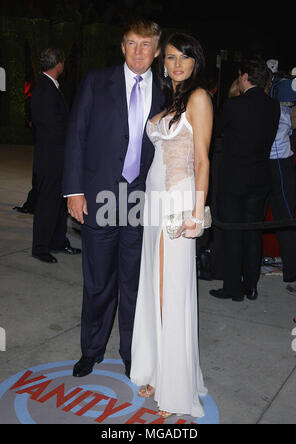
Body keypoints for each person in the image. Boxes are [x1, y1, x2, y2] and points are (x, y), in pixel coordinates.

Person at [63, 20, 164, 379]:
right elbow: (76, 136)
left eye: (146, 44)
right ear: (123, 47)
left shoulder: (169, 90)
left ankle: (132, 353)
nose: (139, 51)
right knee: (98, 281)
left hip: (143, 199)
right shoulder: (95, 81)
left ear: (156, 49)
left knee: (135, 282)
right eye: (132, 44)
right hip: (101, 196)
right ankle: (91, 350)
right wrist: (74, 191)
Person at [130, 32, 212, 418]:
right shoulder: (172, 100)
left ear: (197, 62)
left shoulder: (198, 98)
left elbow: (202, 161)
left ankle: (173, 385)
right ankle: (157, 368)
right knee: (155, 285)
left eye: (185, 57)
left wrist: (197, 213)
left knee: (169, 289)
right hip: (155, 201)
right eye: (172, 57)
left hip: (178, 204)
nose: (177, 64)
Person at [210, 58, 280, 302]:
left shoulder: (234, 105)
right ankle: (251, 285)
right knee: (253, 234)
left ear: (244, 77)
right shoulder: (274, 106)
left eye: (240, 75)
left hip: (234, 179)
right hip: (260, 179)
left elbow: (215, 130)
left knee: (233, 234)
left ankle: (232, 288)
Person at [31, 48, 81, 264]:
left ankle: (58, 241)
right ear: (59, 64)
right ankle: (41, 247)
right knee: (47, 204)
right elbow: (52, 128)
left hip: (56, 158)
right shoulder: (44, 88)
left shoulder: (46, 86)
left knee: (59, 204)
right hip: (51, 159)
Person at [267, 71, 296, 283]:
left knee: (283, 218)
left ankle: (289, 269)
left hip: (275, 163)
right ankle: (289, 269)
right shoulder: (280, 111)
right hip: (278, 163)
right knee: (284, 218)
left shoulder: (280, 110)